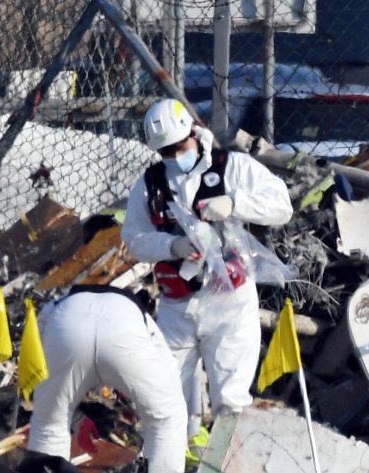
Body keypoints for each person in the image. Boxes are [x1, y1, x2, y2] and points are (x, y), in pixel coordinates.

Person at [121, 98, 293, 437]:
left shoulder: (232, 167)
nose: (173, 156)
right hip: (176, 306)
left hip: (230, 303)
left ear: (192, 133)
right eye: (165, 152)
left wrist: (235, 203)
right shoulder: (152, 182)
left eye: (177, 147)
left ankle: (226, 462)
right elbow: (133, 238)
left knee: (230, 400)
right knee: (168, 400)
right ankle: (185, 460)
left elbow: (281, 205)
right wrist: (172, 245)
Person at [27, 285, 188, 473]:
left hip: (66, 323)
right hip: (124, 330)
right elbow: (171, 374)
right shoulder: (142, 318)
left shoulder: (54, 306)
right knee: (166, 419)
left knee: (49, 424)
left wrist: (76, 418)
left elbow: (32, 375)